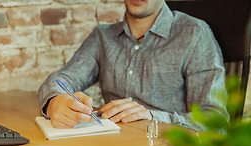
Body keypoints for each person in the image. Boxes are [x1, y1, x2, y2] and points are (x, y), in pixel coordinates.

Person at [38, 0, 229, 130]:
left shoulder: (195, 34)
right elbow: (61, 80)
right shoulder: (102, 37)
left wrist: (154, 117)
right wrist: (54, 101)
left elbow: (216, 122)